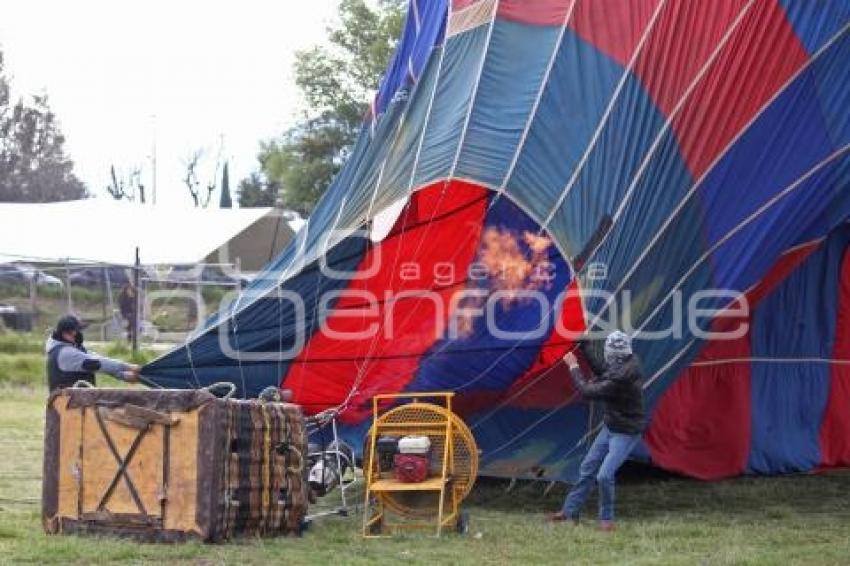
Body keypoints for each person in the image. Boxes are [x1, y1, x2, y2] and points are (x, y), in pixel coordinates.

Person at [549, 330, 645, 531]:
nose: (607, 357)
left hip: (625, 432)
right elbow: (604, 370)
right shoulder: (625, 365)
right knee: (587, 468)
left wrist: (574, 366)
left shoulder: (621, 378)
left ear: (614, 355)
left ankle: (607, 519)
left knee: (604, 475)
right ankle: (569, 512)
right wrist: (585, 348)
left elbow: (587, 391)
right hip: (611, 426)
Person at [45, 315, 140, 392]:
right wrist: (130, 367)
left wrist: (124, 375)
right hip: (66, 406)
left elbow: (99, 359)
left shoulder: (73, 348)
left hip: (76, 402)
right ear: (65, 334)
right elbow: (97, 364)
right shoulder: (66, 353)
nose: (79, 334)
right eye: (76, 331)